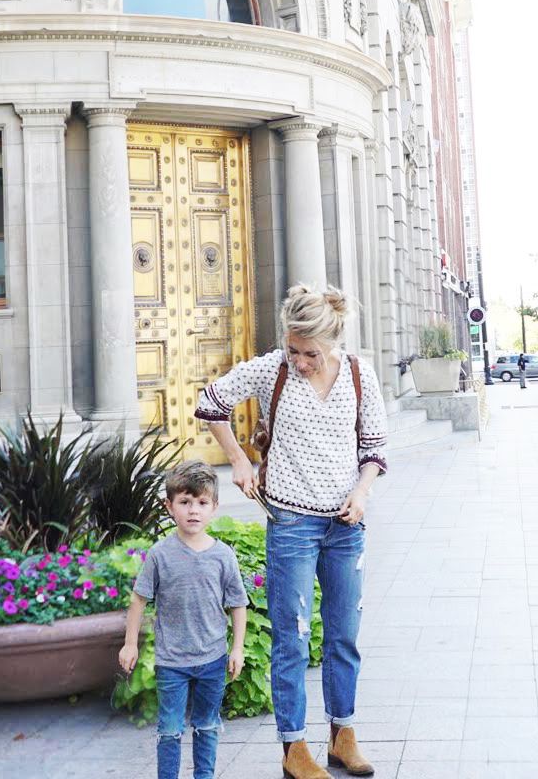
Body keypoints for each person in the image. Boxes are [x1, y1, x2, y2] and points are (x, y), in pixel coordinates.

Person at [197, 283, 387, 779]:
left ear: (332, 342)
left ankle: (343, 735)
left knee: (343, 636)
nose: (299, 362)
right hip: (291, 524)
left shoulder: (360, 374)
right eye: (293, 350)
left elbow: (374, 449)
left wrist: (361, 492)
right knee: (292, 639)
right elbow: (210, 402)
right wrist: (239, 459)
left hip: (346, 527)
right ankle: (294, 748)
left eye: (310, 354)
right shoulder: (271, 369)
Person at [119, 461, 249, 779]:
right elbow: (138, 599)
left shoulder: (223, 556)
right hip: (172, 662)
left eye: (202, 502)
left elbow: (237, 605)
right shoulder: (160, 554)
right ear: (169, 506)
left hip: (212, 659)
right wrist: (130, 644)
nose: (193, 510)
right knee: (169, 729)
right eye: (185, 502)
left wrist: (237, 649)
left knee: (207, 725)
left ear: (214, 507)